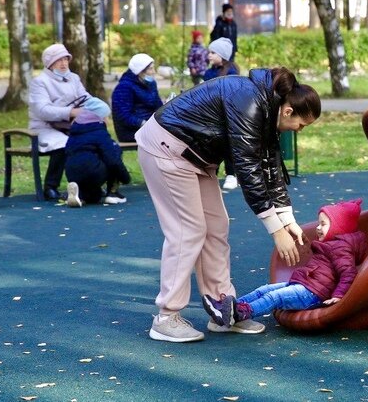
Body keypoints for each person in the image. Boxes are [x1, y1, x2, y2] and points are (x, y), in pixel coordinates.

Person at [134, 66, 321, 343]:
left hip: (196, 158)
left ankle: (223, 310)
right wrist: (276, 231)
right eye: (301, 125)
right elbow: (248, 168)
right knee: (189, 231)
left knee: (216, 227)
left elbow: (269, 164)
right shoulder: (250, 102)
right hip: (167, 150)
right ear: (288, 111)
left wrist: (288, 220)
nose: (300, 131)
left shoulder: (268, 107)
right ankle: (166, 317)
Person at [202, 199, 368, 329]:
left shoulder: (341, 248)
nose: (318, 228)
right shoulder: (332, 244)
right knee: (264, 289)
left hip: (313, 294)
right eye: (319, 223)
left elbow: (348, 272)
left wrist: (338, 295)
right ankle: (228, 308)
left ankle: (239, 314)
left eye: (323, 224)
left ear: (340, 227)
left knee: (274, 296)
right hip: (306, 285)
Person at [28, 43, 92, 201]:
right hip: (44, 128)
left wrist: (97, 109)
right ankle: (50, 187)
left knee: (94, 141)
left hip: (72, 126)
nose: (63, 63)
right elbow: (42, 110)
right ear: (49, 63)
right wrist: (71, 112)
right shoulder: (39, 82)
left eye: (66, 59)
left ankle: (88, 186)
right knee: (64, 144)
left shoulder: (74, 78)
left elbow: (86, 99)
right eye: (58, 60)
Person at [203, 37, 242, 190]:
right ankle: (212, 173)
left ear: (222, 55)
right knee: (211, 143)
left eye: (213, 52)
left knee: (228, 142)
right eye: (209, 52)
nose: (209, 55)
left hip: (227, 113)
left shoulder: (232, 71)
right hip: (211, 113)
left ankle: (231, 174)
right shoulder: (208, 72)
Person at [111, 53, 163, 143]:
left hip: (151, 126)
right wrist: (144, 123)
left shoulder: (151, 84)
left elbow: (158, 105)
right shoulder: (124, 87)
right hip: (131, 131)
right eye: (150, 69)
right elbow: (123, 116)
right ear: (140, 71)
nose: (154, 72)